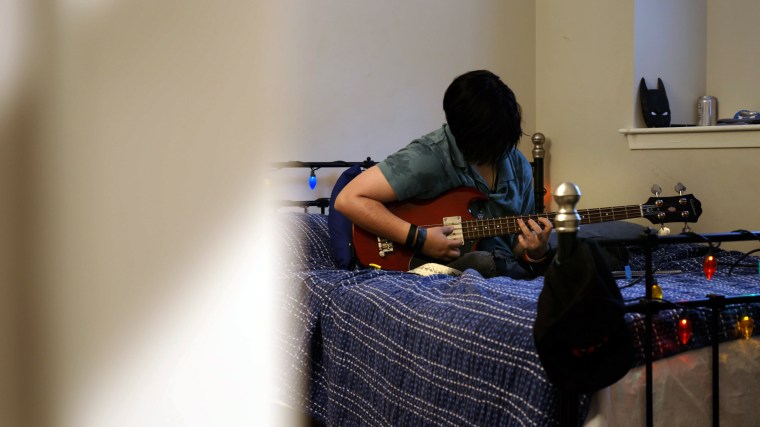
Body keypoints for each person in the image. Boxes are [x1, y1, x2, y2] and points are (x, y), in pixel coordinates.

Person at [334, 70, 553, 278]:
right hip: (455, 265)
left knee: (578, 250)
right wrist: (420, 239)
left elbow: (516, 245)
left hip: (504, 267)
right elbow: (348, 199)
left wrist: (535, 251)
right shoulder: (429, 157)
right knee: (482, 263)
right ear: (464, 134)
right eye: (492, 141)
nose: (501, 150)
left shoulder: (518, 166)